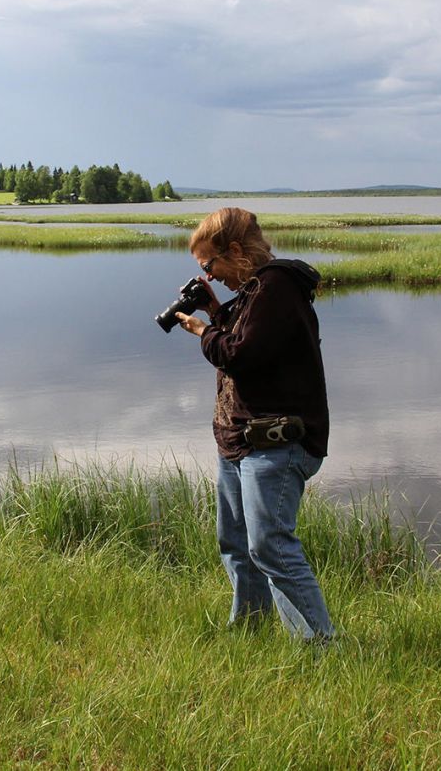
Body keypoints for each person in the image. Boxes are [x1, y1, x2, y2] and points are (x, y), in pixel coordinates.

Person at [174, 207, 334, 641]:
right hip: (240, 441)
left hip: (275, 442)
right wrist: (215, 311)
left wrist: (202, 332)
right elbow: (250, 338)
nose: (210, 275)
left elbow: (240, 355)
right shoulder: (254, 291)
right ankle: (250, 628)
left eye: (210, 265)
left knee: (270, 547)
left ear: (237, 251)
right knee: (237, 543)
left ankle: (321, 647)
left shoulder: (278, 287)